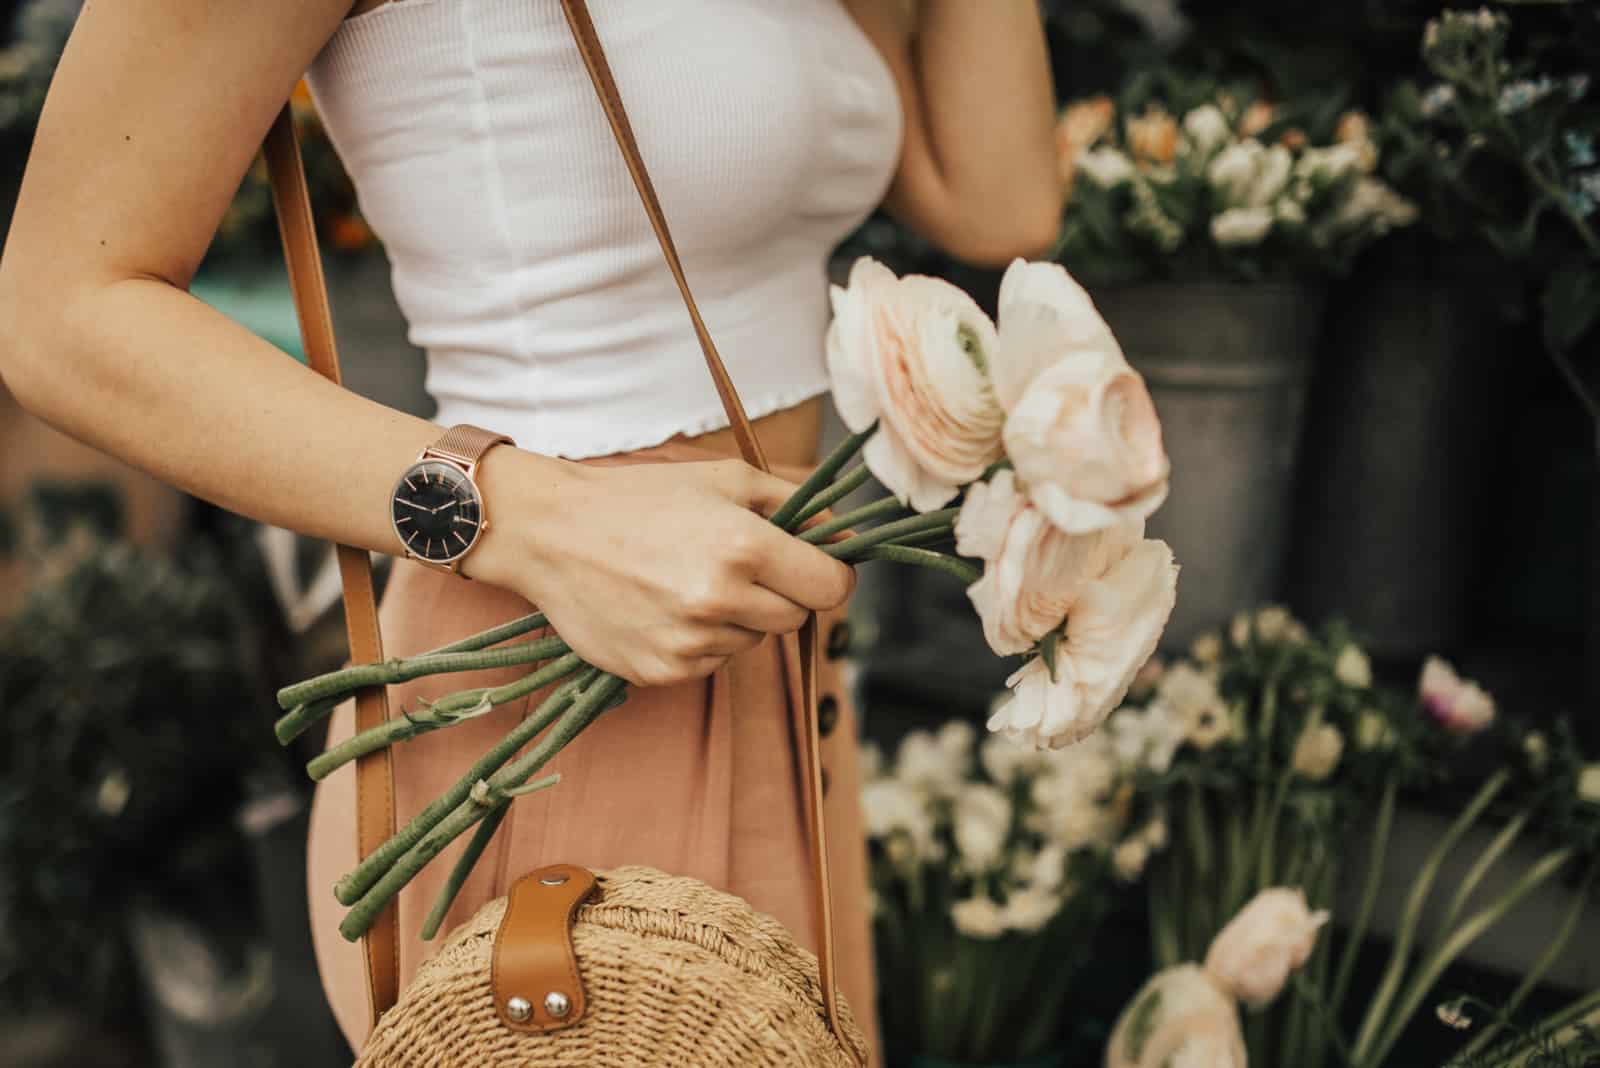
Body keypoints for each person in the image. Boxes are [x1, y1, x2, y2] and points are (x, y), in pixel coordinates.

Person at [0, 0, 1060, 1059]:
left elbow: (998, 201)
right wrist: (528, 521)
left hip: (768, 666)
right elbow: (59, 309)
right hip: (558, 678)